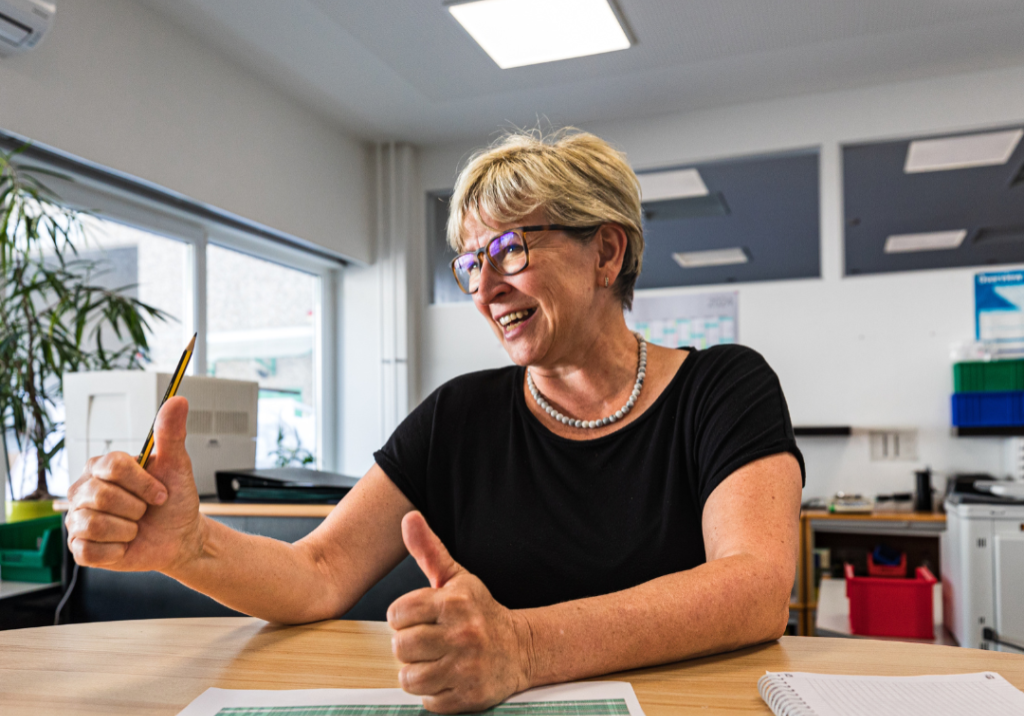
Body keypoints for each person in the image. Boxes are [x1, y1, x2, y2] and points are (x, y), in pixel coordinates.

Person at [65, 129, 804, 714]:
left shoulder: (723, 387)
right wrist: (187, 547)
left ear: (606, 251)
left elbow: (755, 585)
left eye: (511, 249)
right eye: (470, 263)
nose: (484, 287)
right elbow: (317, 574)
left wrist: (523, 646)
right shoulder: (459, 417)